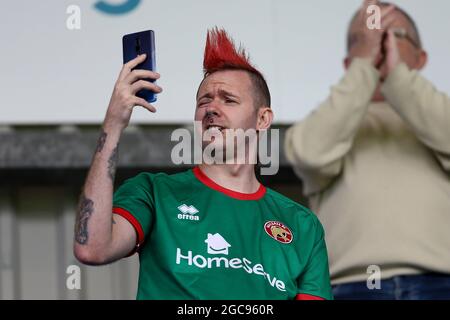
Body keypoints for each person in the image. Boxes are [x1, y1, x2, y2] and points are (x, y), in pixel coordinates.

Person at [74, 28, 332, 300]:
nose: (211, 109)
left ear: (262, 119)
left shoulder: (302, 225)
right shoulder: (153, 192)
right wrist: (113, 124)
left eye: (228, 100)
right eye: (204, 101)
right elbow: (92, 248)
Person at [285, 0, 450, 300]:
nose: (381, 44)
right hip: (351, 286)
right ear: (350, 62)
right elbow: (308, 151)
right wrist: (365, 67)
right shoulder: (332, 123)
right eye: (366, 39)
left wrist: (397, 77)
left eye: (394, 35)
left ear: (421, 57)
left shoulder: (439, 115)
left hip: (441, 283)